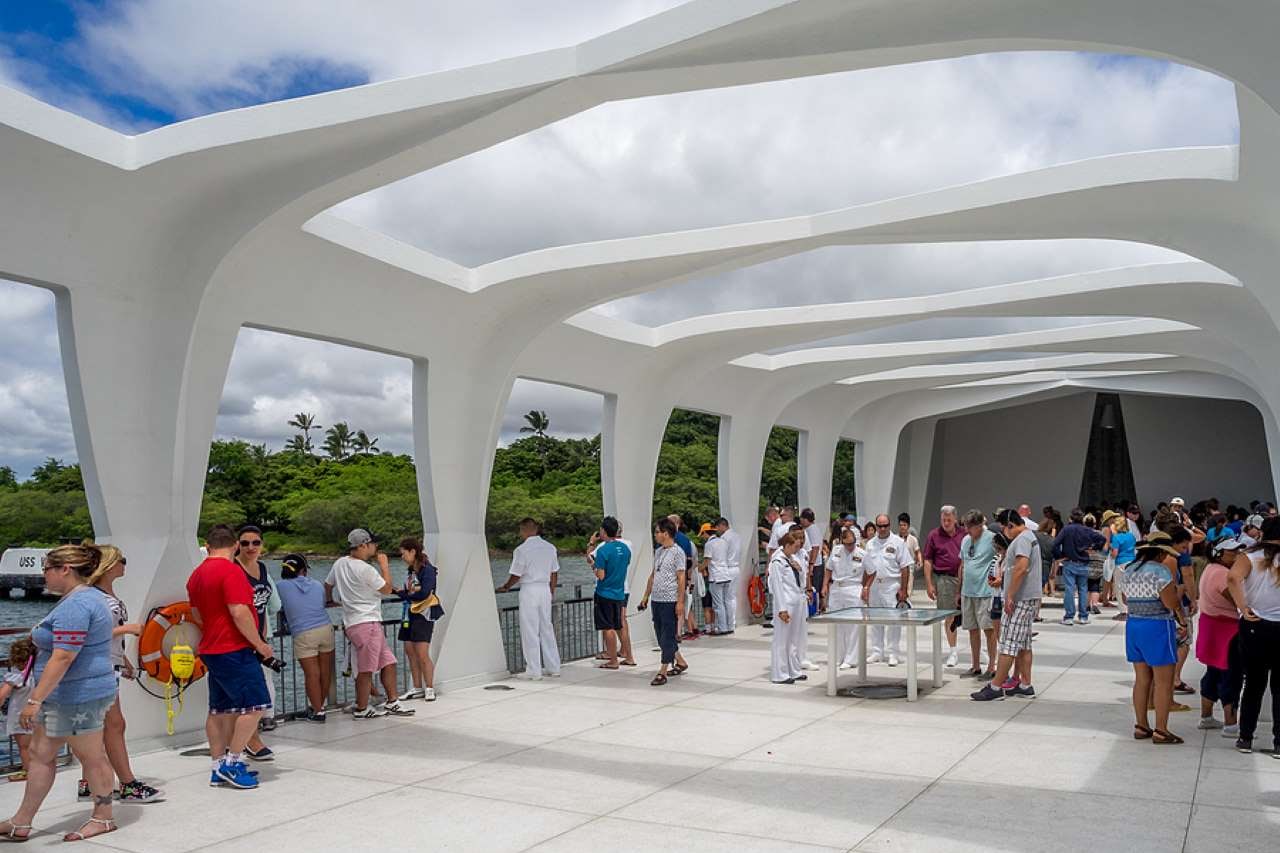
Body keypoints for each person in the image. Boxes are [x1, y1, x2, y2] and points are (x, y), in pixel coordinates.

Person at [0, 545, 120, 840]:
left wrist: (33, 700)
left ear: (64, 569)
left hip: (79, 696)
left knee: (91, 756)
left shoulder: (77, 606)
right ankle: (22, 820)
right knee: (41, 754)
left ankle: (103, 817)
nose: (43, 576)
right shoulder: (87, 598)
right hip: (66, 696)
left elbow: (63, 656)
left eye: (46, 570)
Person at [189, 526, 283, 790]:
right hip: (235, 649)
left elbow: (196, 613)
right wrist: (260, 644)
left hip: (211, 649)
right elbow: (240, 611)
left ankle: (217, 766)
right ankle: (234, 761)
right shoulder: (232, 571)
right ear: (234, 546)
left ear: (208, 546)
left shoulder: (196, 575)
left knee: (219, 710)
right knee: (255, 706)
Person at [76, 546, 162, 802]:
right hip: (97, 670)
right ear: (107, 565)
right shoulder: (95, 598)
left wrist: (122, 660)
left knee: (100, 726)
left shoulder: (101, 596)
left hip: (107, 666)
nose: (125, 564)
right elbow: (87, 636)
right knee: (115, 725)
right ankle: (128, 784)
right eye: (121, 560)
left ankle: (88, 782)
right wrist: (127, 629)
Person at [326, 528, 415, 716]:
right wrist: (384, 567)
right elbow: (386, 588)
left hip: (355, 622)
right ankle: (361, 707)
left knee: (388, 662)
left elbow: (328, 584)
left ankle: (392, 701)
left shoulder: (340, 563)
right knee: (366, 669)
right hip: (367, 623)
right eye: (373, 544)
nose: (376, 547)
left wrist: (329, 600)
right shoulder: (366, 569)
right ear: (363, 545)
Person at [1118, 532, 1187, 744]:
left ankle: (1141, 725)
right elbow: (1170, 603)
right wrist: (1182, 620)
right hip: (1157, 627)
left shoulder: (1128, 569)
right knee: (1163, 682)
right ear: (1159, 552)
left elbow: (1125, 598)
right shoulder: (1160, 571)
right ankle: (1161, 730)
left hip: (1134, 626)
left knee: (1141, 679)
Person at [971, 509, 1040, 701]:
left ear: (1010, 524)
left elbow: (1021, 568)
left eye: (1004, 527)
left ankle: (995, 687)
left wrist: (1009, 595)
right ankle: (1025, 685)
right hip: (1025, 597)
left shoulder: (1023, 539)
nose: (1003, 532)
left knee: (1008, 643)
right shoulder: (1028, 537)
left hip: (1020, 599)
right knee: (1024, 644)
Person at [1225, 516, 1280, 755]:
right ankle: (1279, 743)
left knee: (1254, 684)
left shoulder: (1249, 556)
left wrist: (1243, 607)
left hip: (1255, 624)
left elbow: (1232, 578)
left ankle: (1245, 737)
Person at [233, 525, 281, 756]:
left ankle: (245, 741)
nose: (251, 547)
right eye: (245, 543)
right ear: (236, 545)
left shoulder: (262, 569)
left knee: (256, 693)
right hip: (239, 641)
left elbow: (263, 609)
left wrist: (261, 640)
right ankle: (250, 741)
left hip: (258, 638)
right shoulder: (233, 570)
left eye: (255, 543)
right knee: (249, 695)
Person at [495, 518, 561, 680]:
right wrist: (551, 591)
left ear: (524, 530)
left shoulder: (521, 550)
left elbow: (517, 574)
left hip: (530, 589)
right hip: (545, 589)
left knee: (530, 629)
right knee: (547, 627)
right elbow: (554, 572)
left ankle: (534, 669)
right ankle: (553, 667)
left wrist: (506, 586)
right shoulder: (550, 548)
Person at [276, 553, 335, 721]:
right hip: (325, 628)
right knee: (325, 673)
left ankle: (318, 712)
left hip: (303, 632)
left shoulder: (280, 586)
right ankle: (319, 707)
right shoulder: (317, 585)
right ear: (303, 570)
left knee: (312, 675)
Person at [1197, 538, 1244, 736]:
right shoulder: (1223, 574)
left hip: (1211, 627)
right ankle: (1231, 724)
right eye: (1232, 552)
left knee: (1213, 672)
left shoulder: (1210, 569)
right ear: (1219, 554)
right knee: (1231, 676)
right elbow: (1236, 600)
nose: (1236, 555)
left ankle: (1206, 717)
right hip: (1227, 630)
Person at [639, 517, 687, 686]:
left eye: (658, 532)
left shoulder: (678, 552)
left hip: (670, 599)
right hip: (657, 599)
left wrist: (680, 601)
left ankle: (663, 669)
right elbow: (653, 575)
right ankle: (680, 661)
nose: (655, 535)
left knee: (667, 634)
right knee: (659, 632)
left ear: (666, 534)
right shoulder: (658, 551)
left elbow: (681, 577)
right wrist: (645, 596)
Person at [865, 514, 913, 666]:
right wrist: (865, 587)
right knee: (875, 619)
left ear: (890, 525)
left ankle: (893, 653)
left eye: (885, 525)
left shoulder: (898, 542)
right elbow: (866, 568)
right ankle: (877, 651)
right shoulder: (870, 544)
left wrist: (903, 589)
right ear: (876, 526)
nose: (883, 528)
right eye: (880, 526)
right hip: (874, 585)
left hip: (891, 584)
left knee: (894, 620)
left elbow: (905, 567)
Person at [396, 538, 439, 701]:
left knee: (422, 652)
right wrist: (406, 594)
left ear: (413, 551)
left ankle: (429, 687)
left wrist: (403, 594)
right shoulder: (411, 570)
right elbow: (413, 591)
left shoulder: (427, 570)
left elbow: (424, 593)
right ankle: (416, 687)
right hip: (409, 613)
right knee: (410, 651)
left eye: (403, 553)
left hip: (423, 614)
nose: (402, 557)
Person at [922, 505, 965, 667]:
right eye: (943, 520)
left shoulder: (964, 533)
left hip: (965, 579)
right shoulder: (934, 535)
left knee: (971, 615)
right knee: (949, 615)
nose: (946, 523)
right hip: (944, 579)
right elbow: (928, 560)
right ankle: (953, 651)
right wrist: (929, 583)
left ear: (955, 519)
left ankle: (980, 651)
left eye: (949, 520)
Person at [958, 510, 998, 679]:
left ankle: (991, 666)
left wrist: (998, 578)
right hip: (968, 591)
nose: (968, 530)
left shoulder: (992, 538)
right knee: (972, 629)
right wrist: (958, 591)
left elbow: (1003, 557)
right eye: (966, 527)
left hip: (985, 592)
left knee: (988, 629)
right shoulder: (966, 540)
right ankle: (975, 666)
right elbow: (962, 564)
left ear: (980, 525)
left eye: (970, 527)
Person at [1052, 508, 1106, 626]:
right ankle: (1083, 616)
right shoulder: (1087, 530)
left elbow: (1055, 544)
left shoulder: (1066, 529)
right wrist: (1094, 548)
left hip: (1070, 561)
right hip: (1084, 562)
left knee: (1069, 590)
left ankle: (1069, 616)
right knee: (1083, 589)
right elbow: (1102, 539)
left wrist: (1060, 556)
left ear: (1071, 518)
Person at [823, 526, 867, 669]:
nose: (850, 546)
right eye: (847, 544)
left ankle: (851, 658)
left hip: (854, 588)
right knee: (836, 623)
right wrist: (825, 586)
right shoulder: (836, 551)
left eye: (852, 543)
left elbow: (871, 571)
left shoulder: (862, 553)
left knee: (853, 625)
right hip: (836, 587)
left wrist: (866, 587)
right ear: (842, 542)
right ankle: (838, 656)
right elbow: (828, 569)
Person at [768, 529, 809, 684]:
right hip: (785, 603)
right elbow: (777, 586)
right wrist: (782, 609)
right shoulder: (777, 561)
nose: (797, 550)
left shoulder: (790, 559)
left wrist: (800, 569)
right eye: (795, 547)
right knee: (781, 639)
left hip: (797, 600)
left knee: (793, 639)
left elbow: (801, 581)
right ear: (787, 545)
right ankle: (780, 673)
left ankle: (794, 669)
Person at [588, 518, 630, 668]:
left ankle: (613, 660)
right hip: (619, 593)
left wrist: (593, 566)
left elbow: (601, 575)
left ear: (604, 531)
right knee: (618, 624)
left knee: (608, 628)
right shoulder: (625, 549)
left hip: (604, 593)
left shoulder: (603, 550)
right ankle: (626, 655)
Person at [0, 638, 36, 782]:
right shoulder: (38, 674)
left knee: (24, 747)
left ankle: (28, 771)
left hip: (19, 716)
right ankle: (38, 769)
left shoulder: (16, 676)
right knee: (36, 746)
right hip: (37, 714)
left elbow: (2, 695)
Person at [702, 518, 735, 635]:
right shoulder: (723, 542)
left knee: (718, 604)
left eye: (703, 535)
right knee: (727, 602)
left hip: (715, 577)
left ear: (706, 533)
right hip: (726, 574)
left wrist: (700, 569)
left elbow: (707, 561)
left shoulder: (709, 544)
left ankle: (722, 628)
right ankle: (730, 625)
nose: (703, 538)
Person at [897, 513, 923, 593]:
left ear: (908, 526)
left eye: (904, 525)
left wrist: (920, 561)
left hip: (909, 569)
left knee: (907, 592)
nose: (902, 527)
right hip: (897, 570)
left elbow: (917, 552)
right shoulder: (895, 538)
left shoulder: (913, 539)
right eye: (900, 525)